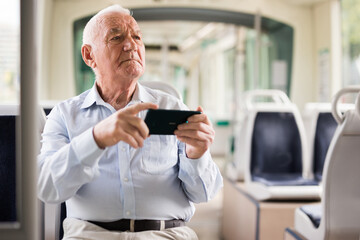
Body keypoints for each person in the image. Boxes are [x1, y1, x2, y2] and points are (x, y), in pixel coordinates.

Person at [38, 4, 223, 240]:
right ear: (88, 55)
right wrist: (96, 139)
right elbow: (47, 188)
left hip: (166, 234)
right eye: (116, 37)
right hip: (90, 235)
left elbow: (203, 194)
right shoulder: (64, 115)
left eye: (137, 36)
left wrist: (196, 154)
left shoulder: (173, 108)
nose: (131, 44)